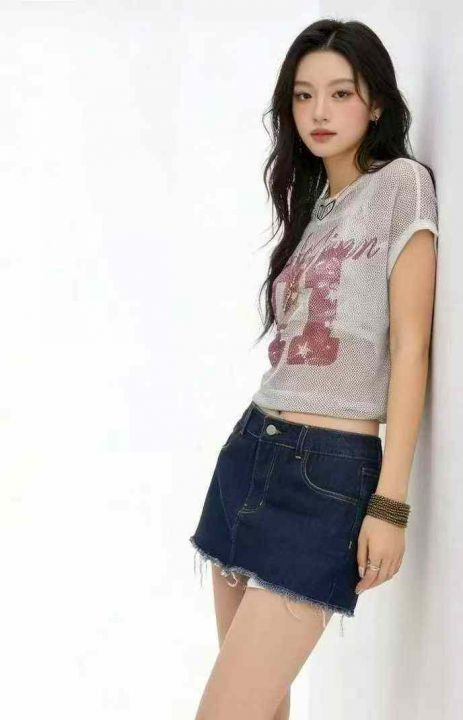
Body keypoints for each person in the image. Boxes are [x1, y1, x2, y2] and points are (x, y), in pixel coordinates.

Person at [189, 17, 439, 720]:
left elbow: (410, 349)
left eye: (340, 93)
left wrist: (389, 505)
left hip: (326, 475)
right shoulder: (313, 207)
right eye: (303, 96)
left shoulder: (401, 186)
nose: (319, 112)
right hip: (249, 456)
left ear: (376, 103)